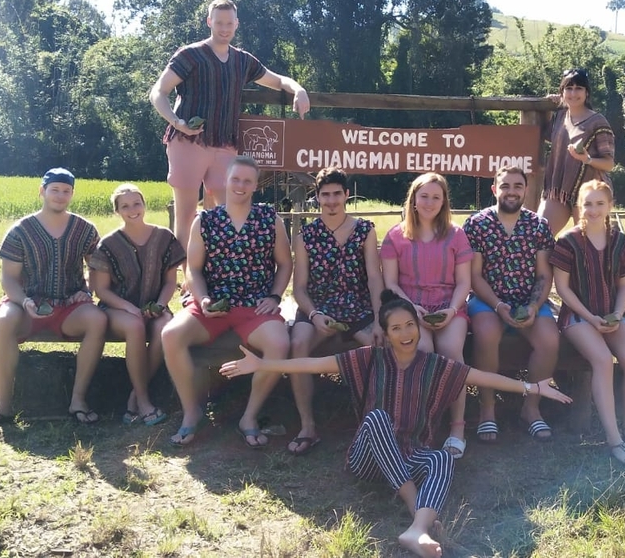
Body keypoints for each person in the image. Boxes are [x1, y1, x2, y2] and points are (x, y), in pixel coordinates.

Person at [219, 290, 572, 558]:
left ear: (418, 327)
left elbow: (481, 376)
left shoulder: (435, 365)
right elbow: (313, 364)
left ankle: (417, 530)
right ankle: (415, 506)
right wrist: (263, 365)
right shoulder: (369, 358)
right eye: (396, 328)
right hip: (367, 460)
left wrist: (532, 387)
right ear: (386, 334)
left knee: (442, 457)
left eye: (410, 326)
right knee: (376, 418)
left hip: (411, 455)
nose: (405, 333)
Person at [149, 0, 311, 251]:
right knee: (186, 217)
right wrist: (177, 122)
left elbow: (278, 80)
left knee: (227, 215)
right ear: (209, 22)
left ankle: (217, 270)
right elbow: (158, 92)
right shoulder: (190, 55)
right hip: (187, 141)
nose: (224, 28)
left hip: (225, 144)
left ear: (237, 24)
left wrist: (298, 89)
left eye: (229, 23)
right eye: (219, 23)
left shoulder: (242, 60)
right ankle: (187, 274)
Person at [161, 155, 293, 447]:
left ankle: (249, 417)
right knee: (170, 335)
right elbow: (193, 269)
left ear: (256, 185)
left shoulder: (270, 219)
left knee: (279, 344)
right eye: (235, 179)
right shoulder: (205, 220)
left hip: (255, 304)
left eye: (247, 181)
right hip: (213, 304)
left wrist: (274, 295)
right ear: (225, 181)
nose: (240, 185)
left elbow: (285, 264)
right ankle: (192, 412)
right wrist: (203, 298)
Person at [0, 168, 108, 427]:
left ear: (72, 194)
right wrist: (24, 300)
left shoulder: (85, 229)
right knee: (4, 320)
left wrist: (86, 291)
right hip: (27, 304)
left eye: (66, 191)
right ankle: (2, 405)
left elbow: (97, 268)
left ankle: (78, 400)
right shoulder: (20, 230)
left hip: (69, 306)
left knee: (97, 320)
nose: (60, 195)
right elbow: (9, 279)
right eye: (54, 189)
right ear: (42, 191)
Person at [287, 166, 385, 455]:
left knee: (382, 348)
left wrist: (379, 319)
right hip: (318, 307)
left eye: (337, 194)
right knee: (298, 344)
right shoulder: (305, 235)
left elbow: (374, 278)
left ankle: (378, 424)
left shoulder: (364, 230)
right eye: (325, 195)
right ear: (317, 197)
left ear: (346, 195)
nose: (331, 201)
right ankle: (307, 426)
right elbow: (299, 287)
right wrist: (314, 314)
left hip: (358, 307)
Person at [549, 179, 625, 465]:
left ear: (610, 206)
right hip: (578, 316)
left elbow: (624, 285)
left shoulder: (619, 241)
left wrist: (617, 314)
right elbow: (562, 289)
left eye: (600, 203)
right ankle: (613, 440)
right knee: (603, 361)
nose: (593, 210)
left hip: (613, 313)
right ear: (579, 206)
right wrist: (591, 318)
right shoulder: (567, 242)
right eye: (587, 204)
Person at [462, 164, 559, 443]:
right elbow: (474, 276)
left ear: (526, 190)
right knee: (486, 334)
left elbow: (544, 274)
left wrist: (533, 306)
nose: (511, 191)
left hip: (529, 300)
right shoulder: (477, 224)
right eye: (505, 186)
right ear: (495, 189)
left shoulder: (539, 225)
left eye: (518, 186)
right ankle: (487, 408)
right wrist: (497, 305)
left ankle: (531, 407)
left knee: (550, 340)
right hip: (487, 299)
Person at [381, 173, 473, 458]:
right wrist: (411, 308)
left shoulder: (457, 235)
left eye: (436, 197)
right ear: (414, 199)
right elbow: (391, 283)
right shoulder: (395, 236)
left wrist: (452, 310)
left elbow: (464, 282)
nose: (430, 202)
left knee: (451, 352)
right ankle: (418, 428)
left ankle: (457, 427)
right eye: (424, 196)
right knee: (419, 352)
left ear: (444, 201)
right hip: (410, 307)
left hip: (449, 306)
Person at [88, 183, 184, 426]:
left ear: (144, 205)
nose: (132, 210)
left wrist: (160, 305)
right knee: (135, 325)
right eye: (125, 206)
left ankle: (133, 396)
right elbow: (101, 290)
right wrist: (129, 308)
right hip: (118, 308)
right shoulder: (108, 244)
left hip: (154, 306)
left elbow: (170, 282)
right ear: (117, 211)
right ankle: (144, 401)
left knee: (165, 327)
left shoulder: (164, 237)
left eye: (136, 204)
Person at [539, 67, 617, 235]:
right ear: (562, 91)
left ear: (586, 93)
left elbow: (609, 164)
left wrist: (587, 159)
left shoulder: (598, 122)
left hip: (589, 193)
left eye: (579, 88)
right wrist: (548, 106)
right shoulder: (560, 116)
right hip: (559, 190)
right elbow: (545, 135)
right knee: (538, 236)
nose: (573, 93)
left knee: (588, 242)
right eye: (569, 88)